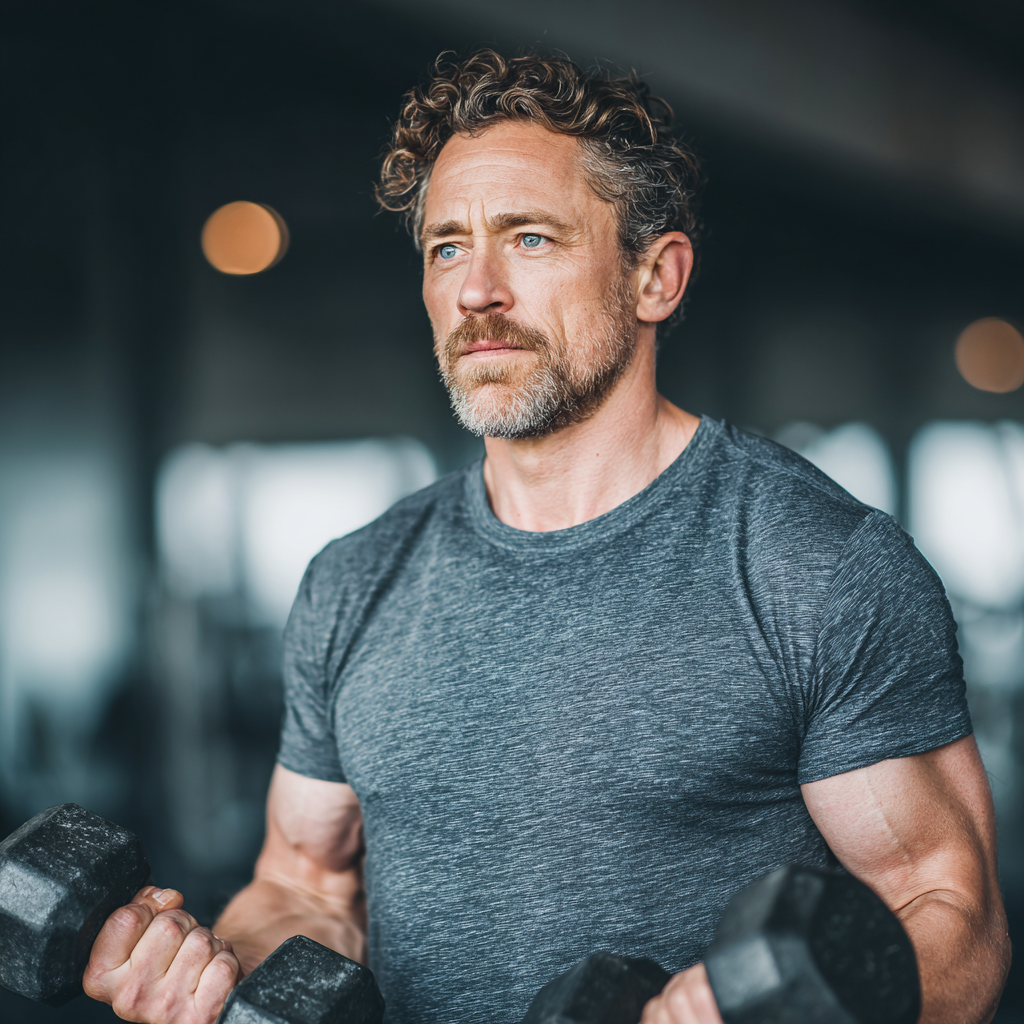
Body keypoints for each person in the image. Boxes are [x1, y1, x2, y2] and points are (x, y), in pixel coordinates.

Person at [83, 50, 1010, 1024]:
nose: (476, 288)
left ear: (655, 276)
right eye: (446, 247)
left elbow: (950, 913)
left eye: (528, 238)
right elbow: (306, 886)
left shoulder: (813, 568)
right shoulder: (354, 581)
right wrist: (216, 961)